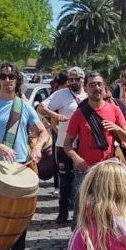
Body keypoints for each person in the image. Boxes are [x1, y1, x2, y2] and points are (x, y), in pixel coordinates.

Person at [0, 63, 52, 250]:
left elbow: (43, 133)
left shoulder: (24, 106)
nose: (8, 80)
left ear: (17, 79)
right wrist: (0, 147)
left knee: (20, 214)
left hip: (21, 167)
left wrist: (37, 147)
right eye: (3, 76)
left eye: (11, 76)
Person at [65, 71, 126, 219]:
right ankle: (80, 240)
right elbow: (67, 144)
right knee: (81, 214)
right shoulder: (79, 114)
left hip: (107, 171)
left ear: (104, 87)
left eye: (100, 84)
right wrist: (76, 158)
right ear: (86, 88)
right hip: (85, 171)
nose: (97, 88)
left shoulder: (115, 109)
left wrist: (117, 129)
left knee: (108, 212)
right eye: (93, 85)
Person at [39, 67, 87, 225]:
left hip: (83, 145)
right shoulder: (61, 94)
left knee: (82, 180)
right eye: (71, 79)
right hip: (63, 143)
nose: (73, 82)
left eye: (77, 79)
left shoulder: (88, 96)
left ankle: (80, 212)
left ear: (82, 79)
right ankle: (63, 211)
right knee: (65, 180)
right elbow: (41, 107)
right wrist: (55, 115)